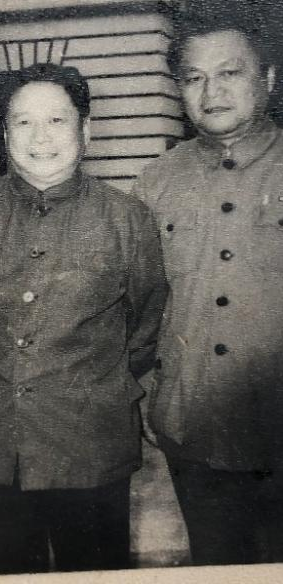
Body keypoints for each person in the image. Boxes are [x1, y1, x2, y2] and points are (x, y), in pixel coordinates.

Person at [0, 63, 167, 575]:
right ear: (4, 132)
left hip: (90, 445)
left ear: (86, 130)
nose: (40, 138)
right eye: (23, 122)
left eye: (57, 120)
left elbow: (145, 324)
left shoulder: (127, 219)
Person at [134, 8, 283, 566]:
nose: (211, 91)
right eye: (194, 77)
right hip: (192, 426)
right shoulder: (156, 181)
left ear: (268, 79)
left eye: (230, 73)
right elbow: (139, 303)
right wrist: (147, 391)